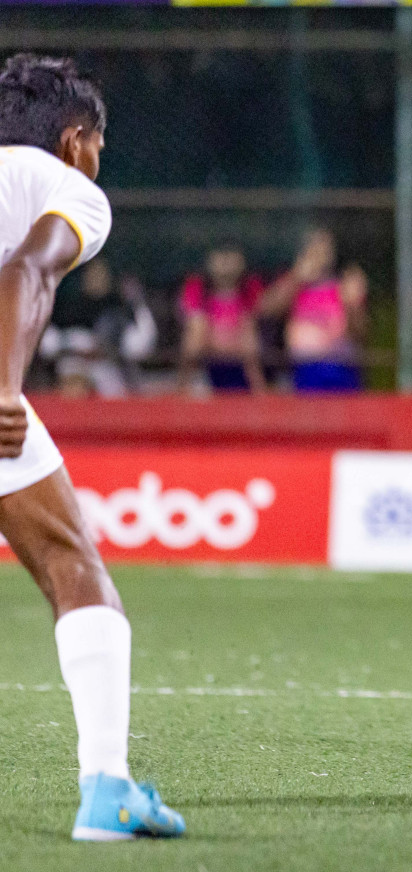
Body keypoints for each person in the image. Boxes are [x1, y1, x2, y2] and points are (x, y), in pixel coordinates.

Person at [0, 54, 183, 838]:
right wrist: (5, 388)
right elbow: (31, 270)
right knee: (75, 567)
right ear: (76, 140)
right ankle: (106, 790)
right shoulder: (72, 190)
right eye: (98, 146)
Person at [259, 229, 368, 393]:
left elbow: (362, 333)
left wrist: (352, 306)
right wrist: (297, 277)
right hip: (305, 369)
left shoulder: (345, 285)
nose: (321, 253)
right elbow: (265, 310)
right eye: (315, 246)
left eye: (326, 247)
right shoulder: (294, 283)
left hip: (342, 368)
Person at [41, 258, 156, 397]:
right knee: (72, 382)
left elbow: (138, 344)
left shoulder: (119, 305)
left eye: (101, 273)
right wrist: (76, 349)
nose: (96, 278)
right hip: (72, 359)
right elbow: (48, 343)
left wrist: (105, 350)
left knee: (114, 391)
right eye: (92, 273)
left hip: (107, 364)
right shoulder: (68, 305)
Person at [178, 244, 265, 393]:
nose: (225, 262)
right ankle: (183, 388)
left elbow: (257, 314)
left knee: (247, 327)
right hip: (209, 357)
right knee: (197, 328)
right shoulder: (196, 286)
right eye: (220, 257)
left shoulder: (251, 286)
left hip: (242, 360)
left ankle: (259, 392)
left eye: (231, 256)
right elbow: (194, 324)